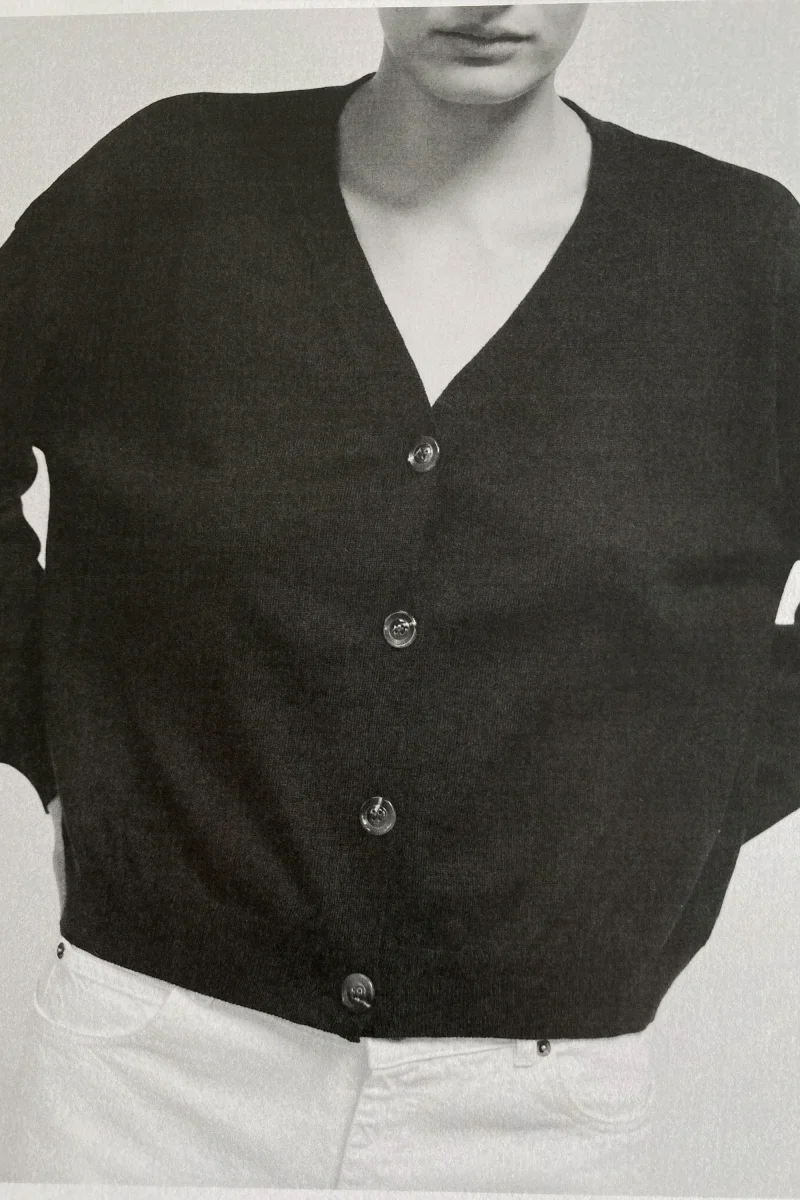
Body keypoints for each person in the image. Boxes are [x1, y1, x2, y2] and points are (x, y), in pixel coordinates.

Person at [1, 3, 799, 1189]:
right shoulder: (166, 189)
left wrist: (663, 820)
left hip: (535, 1117)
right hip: (149, 1078)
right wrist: (64, 746)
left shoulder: (741, 259)